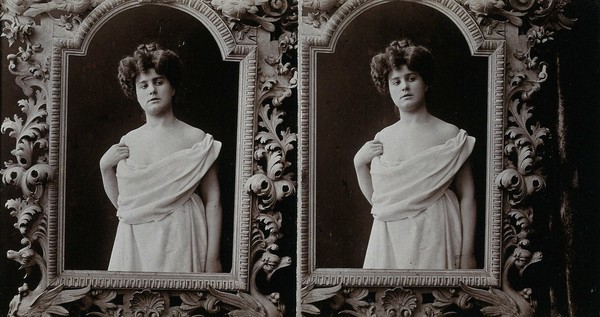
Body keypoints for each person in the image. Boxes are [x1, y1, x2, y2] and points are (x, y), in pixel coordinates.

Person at [354, 39, 477, 270]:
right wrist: (359, 164)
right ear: (387, 88)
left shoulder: (449, 133)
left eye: (412, 78)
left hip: (437, 232)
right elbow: (380, 205)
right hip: (392, 236)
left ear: (426, 83)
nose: (404, 87)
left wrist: (467, 253)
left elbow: (468, 195)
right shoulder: (383, 138)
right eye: (396, 81)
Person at [100, 43, 223, 273]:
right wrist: (105, 168)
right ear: (135, 93)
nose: (152, 90)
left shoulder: (195, 137)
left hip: (183, 236)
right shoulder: (129, 141)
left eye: (159, 82)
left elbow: (213, 201)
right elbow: (125, 208)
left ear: (172, 87)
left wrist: (212, 258)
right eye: (143, 85)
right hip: (136, 241)